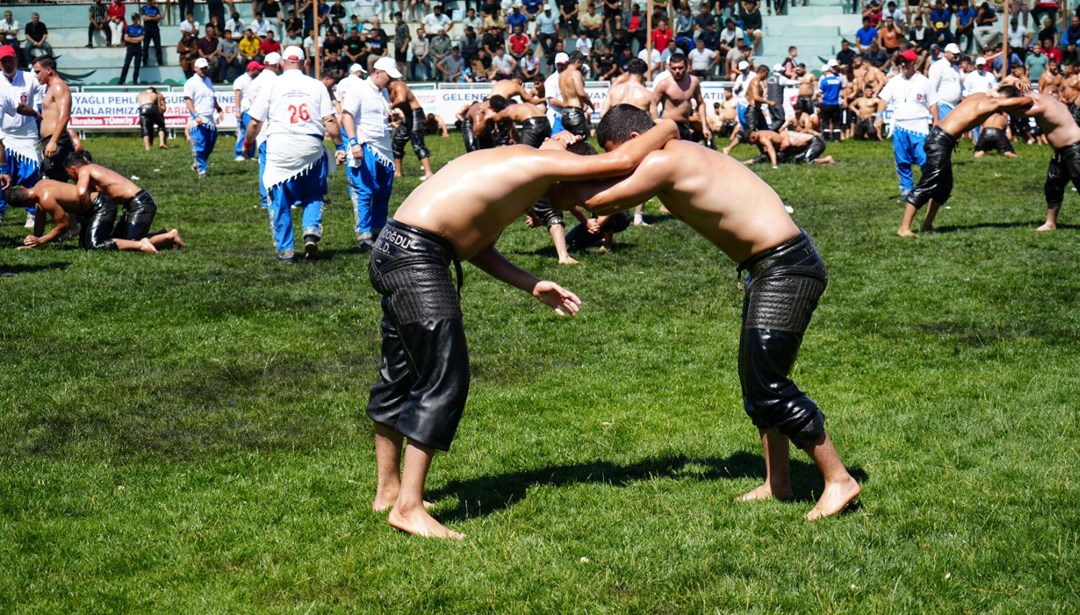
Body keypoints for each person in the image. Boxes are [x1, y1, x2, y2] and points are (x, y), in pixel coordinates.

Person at [365, 119, 677, 540]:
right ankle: (408, 507)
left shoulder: (518, 173)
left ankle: (389, 490)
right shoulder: (539, 165)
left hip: (398, 249)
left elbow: (470, 244)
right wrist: (671, 124)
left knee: (400, 373)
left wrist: (533, 284)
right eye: (576, 194)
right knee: (444, 377)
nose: (571, 206)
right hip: (418, 257)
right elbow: (623, 158)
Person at [550, 105, 861, 521]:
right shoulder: (677, 151)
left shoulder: (665, 160)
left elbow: (597, 197)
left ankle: (839, 480)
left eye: (614, 153)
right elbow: (607, 180)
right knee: (757, 384)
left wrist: (548, 166)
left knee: (769, 382)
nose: (617, 162)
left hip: (787, 268)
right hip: (772, 267)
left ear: (631, 141)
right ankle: (778, 483)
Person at [246, 46, 342, 262]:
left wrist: (247, 142)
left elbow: (254, 122)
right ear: (304, 62)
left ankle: (286, 250)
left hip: (281, 145)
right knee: (313, 194)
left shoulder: (272, 85)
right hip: (311, 146)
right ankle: (310, 232)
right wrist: (340, 146)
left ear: (282, 64)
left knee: (279, 198)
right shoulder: (316, 86)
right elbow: (330, 120)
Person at [898, 88, 1033, 236]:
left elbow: (1000, 93)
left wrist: (1007, 87)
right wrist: (1026, 95)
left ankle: (927, 225)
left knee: (944, 187)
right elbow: (1027, 101)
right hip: (940, 141)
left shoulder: (980, 95)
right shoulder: (992, 103)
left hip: (942, 139)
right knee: (928, 183)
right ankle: (904, 228)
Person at [7, 178, 182, 253]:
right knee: (98, 242)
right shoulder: (40, 186)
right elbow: (40, 216)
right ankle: (167, 235)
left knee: (95, 245)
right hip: (95, 207)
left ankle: (142, 245)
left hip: (101, 205)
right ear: (23, 188)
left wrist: (41, 241)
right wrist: (34, 240)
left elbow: (64, 226)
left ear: (25, 205)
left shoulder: (45, 198)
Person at [341, 56, 399, 251]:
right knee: (365, 190)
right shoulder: (358, 89)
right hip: (365, 145)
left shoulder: (383, 93)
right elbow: (347, 115)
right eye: (389, 77)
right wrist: (353, 142)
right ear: (378, 73)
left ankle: (378, 230)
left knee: (383, 191)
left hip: (383, 147)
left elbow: (382, 116)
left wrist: (393, 118)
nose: (391, 81)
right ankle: (364, 234)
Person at [1004, 88, 1080, 231]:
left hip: (1076, 150)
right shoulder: (1038, 98)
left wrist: (998, 104)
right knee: (1053, 187)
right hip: (1061, 151)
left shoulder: (1042, 104)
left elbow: (1018, 112)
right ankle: (1050, 223)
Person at [0, 44, 44, 228]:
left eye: (10, 59)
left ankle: (32, 213)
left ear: (16, 59)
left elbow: (45, 93)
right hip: (3, 135)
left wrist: (39, 114)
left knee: (31, 173)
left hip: (27, 133)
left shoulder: (29, 78)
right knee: (2, 174)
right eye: (4, 61)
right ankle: (0, 211)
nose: (7, 64)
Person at [878, 49, 930, 201]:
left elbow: (933, 103)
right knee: (902, 160)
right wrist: (878, 116)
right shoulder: (894, 81)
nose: (903, 64)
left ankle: (927, 188)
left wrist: (938, 122)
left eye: (906, 61)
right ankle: (907, 191)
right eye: (901, 61)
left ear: (914, 62)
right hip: (900, 125)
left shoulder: (924, 82)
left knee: (925, 160)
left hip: (920, 126)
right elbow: (883, 99)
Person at [245, 51, 282, 210]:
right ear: (278, 65)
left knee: (264, 165)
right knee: (282, 166)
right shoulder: (279, 82)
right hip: (278, 128)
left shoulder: (253, 82)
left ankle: (265, 200)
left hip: (261, 129)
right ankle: (283, 198)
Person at [29, 57, 74, 183]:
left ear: (48, 70)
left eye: (38, 72)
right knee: (52, 179)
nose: (36, 76)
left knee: (56, 182)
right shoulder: (50, 88)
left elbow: (64, 115)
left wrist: (54, 141)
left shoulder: (59, 87)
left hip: (57, 140)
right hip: (50, 140)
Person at [655, 53, 712, 145]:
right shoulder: (664, 84)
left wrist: (704, 127)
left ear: (686, 66)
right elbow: (652, 105)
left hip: (685, 126)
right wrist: (655, 124)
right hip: (668, 126)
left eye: (680, 68)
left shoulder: (693, 82)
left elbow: (701, 103)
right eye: (674, 68)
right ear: (669, 67)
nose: (677, 71)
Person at [184, 57, 222, 179]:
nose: (204, 70)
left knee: (210, 142)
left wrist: (218, 107)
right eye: (201, 68)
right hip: (198, 117)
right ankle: (202, 170)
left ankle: (198, 162)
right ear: (195, 69)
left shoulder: (208, 81)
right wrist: (195, 115)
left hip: (209, 116)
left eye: (205, 68)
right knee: (200, 143)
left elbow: (212, 96)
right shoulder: (190, 83)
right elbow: (188, 100)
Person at [389, 79, 434, 180]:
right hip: (407, 115)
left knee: (417, 143)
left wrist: (390, 107)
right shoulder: (386, 91)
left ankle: (429, 173)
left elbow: (401, 99)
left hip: (416, 114)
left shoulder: (399, 85)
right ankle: (398, 172)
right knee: (397, 143)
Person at [745, 129, 836, 166]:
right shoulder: (765, 134)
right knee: (796, 160)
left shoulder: (780, 135)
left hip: (815, 142)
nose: (751, 144)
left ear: (753, 137)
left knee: (806, 160)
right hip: (807, 146)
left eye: (750, 142)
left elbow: (784, 145)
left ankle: (827, 159)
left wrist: (774, 164)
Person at [558, 51, 592, 138]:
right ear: (578, 61)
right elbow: (581, 93)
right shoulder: (575, 73)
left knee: (570, 143)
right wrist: (590, 104)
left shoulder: (561, 75)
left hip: (564, 112)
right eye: (581, 63)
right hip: (575, 113)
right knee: (581, 145)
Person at [233, 60, 262, 161]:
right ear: (252, 69)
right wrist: (237, 110)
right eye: (258, 69)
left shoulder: (254, 80)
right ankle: (238, 153)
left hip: (253, 109)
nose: (259, 71)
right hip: (244, 110)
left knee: (252, 132)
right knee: (243, 132)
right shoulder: (240, 80)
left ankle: (250, 154)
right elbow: (237, 95)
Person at [137, 86, 168, 150]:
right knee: (161, 125)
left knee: (145, 129)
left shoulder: (140, 94)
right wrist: (160, 115)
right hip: (153, 107)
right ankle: (162, 143)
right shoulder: (156, 95)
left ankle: (147, 148)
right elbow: (160, 107)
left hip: (143, 109)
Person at [118, 13, 144, 86]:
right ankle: (121, 80)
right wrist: (135, 40)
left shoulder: (141, 28)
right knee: (126, 64)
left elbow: (141, 39)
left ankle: (135, 81)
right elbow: (125, 38)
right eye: (133, 19)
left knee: (137, 65)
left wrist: (131, 39)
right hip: (130, 47)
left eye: (136, 18)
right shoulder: (129, 27)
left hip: (138, 47)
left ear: (138, 19)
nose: (135, 20)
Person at [140, 0, 163, 66]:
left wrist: (151, 18)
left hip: (155, 28)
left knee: (158, 46)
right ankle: (144, 62)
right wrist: (154, 18)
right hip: (147, 28)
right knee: (145, 46)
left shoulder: (156, 8)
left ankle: (160, 62)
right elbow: (145, 18)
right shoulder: (143, 8)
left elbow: (159, 17)